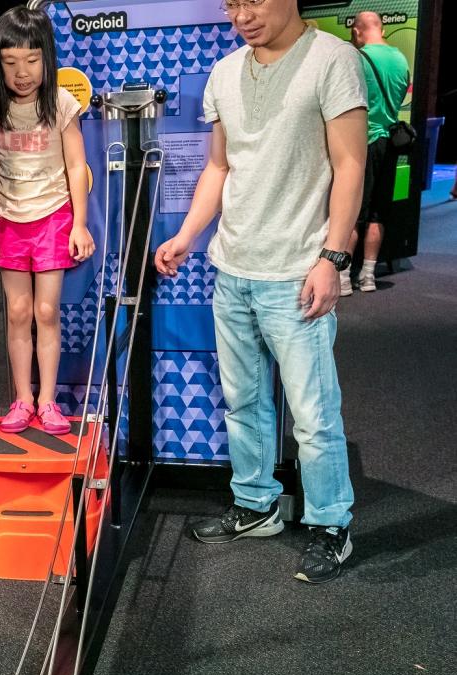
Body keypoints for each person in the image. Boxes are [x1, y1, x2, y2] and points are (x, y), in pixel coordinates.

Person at [155, 0, 367, 583]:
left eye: (252, 0)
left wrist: (332, 257)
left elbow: (350, 164)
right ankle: (256, 505)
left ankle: (330, 524)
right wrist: (186, 234)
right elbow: (219, 167)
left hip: (296, 272)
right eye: (231, 4)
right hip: (233, 268)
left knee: (313, 413)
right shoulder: (225, 72)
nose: (241, 15)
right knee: (243, 403)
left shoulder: (332, 60)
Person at [0, 5, 95, 436]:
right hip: (9, 220)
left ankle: (48, 402)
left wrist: (80, 223)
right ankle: (23, 399)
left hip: (53, 219)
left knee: (46, 310)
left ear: (47, 57)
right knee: (19, 311)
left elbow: (77, 166)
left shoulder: (61, 104)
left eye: (31, 60)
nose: (21, 72)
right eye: (10, 63)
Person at [343, 11, 409, 294]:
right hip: (390, 145)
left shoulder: (357, 58)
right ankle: (368, 275)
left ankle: (343, 276)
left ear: (357, 32)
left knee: (352, 211)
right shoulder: (400, 59)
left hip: (361, 144)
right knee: (378, 213)